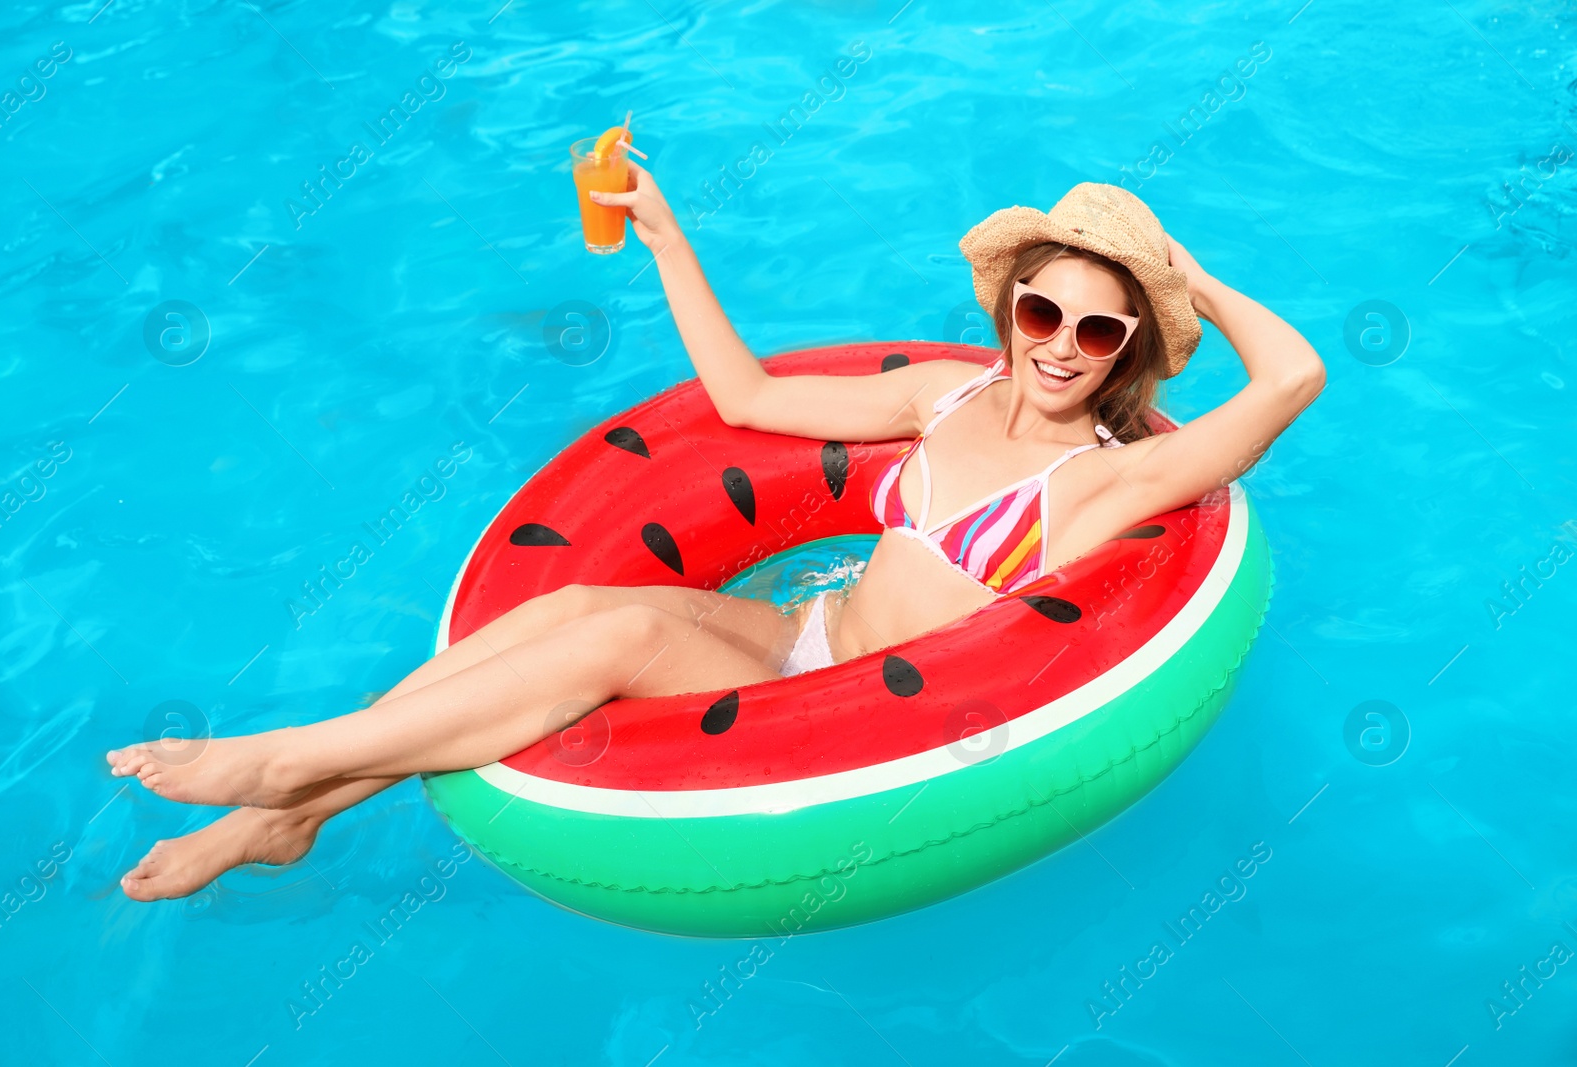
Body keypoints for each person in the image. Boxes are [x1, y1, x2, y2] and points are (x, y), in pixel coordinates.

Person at [108, 166, 1324, 901]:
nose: (1060, 340)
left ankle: (284, 766)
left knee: (618, 630)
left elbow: (1292, 377)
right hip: (802, 630)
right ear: (1008, 307)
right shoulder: (941, 393)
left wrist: (1180, 273)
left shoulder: (1105, 480)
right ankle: (302, 811)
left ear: (1129, 353)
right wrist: (668, 236)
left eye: (1100, 329)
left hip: (857, 703)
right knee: (572, 610)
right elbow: (745, 402)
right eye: (1042, 305)